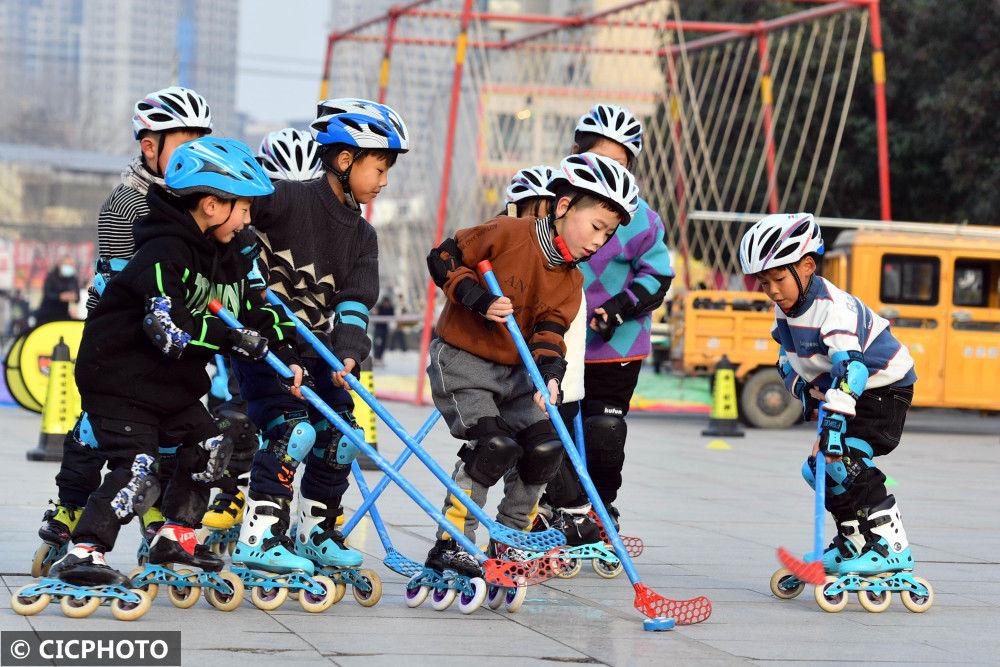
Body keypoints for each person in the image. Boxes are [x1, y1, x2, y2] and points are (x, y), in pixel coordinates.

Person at [50, 137, 298, 587]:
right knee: (139, 468)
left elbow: (254, 309)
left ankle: (174, 539)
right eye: (243, 208)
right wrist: (233, 338)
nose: (247, 220)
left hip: (168, 388)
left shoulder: (224, 255)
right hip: (120, 382)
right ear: (210, 205)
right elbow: (170, 331)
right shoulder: (163, 253)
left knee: (210, 451)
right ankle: (84, 551)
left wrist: (286, 354)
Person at [423, 152, 639, 576]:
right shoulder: (507, 232)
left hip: (516, 373)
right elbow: (443, 258)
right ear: (563, 207)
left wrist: (552, 376)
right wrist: (478, 299)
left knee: (545, 447)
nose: (599, 242)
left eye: (608, 234)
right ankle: (451, 544)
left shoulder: (572, 280)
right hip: (463, 360)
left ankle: (510, 543)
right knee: (493, 447)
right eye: (596, 227)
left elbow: (548, 333)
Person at [230, 98, 408, 576]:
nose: (384, 181)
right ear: (345, 159)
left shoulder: (362, 237)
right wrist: (243, 242)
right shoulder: (288, 198)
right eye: (380, 167)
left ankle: (314, 532)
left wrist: (347, 353)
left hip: (313, 343)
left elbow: (354, 302)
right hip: (261, 341)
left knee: (341, 435)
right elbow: (235, 208)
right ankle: (259, 536)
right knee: (294, 431)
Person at [37, 87, 215, 559]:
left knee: (179, 432)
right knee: (100, 427)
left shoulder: (196, 204)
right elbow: (129, 292)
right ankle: (72, 506)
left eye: (201, 142)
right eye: (183, 142)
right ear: (149, 146)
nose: (193, 153)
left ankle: (157, 515)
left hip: (168, 343)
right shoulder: (126, 206)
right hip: (119, 340)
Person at [739, 212, 918, 576]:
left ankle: (892, 546)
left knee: (844, 459)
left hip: (883, 388)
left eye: (777, 279)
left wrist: (835, 420)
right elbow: (787, 359)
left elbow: (853, 368)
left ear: (807, 266)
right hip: (850, 390)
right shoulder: (785, 310)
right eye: (762, 282)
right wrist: (803, 390)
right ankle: (852, 541)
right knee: (817, 469)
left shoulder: (834, 308)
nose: (772, 290)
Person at [544, 104, 674, 532]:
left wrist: (620, 307)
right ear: (576, 155)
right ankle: (559, 505)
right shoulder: (554, 208)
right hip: (557, 341)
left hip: (614, 345)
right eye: (597, 160)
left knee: (603, 430)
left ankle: (600, 508)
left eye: (618, 164)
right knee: (553, 428)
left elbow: (658, 275)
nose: (607, 171)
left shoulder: (640, 219)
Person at [199, 126, 324, 535]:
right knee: (238, 411)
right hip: (249, 329)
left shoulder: (323, 233)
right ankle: (234, 489)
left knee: (315, 426)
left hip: (304, 337)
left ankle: (313, 506)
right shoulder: (244, 228)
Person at [33, 256, 79, 325]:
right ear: (60, 265)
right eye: (67, 265)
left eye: (71, 265)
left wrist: (74, 296)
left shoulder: (73, 279)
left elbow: (77, 297)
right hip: (46, 315)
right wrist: (60, 296)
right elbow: (47, 293)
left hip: (63, 315)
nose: (69, 267)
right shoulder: (51, 276)